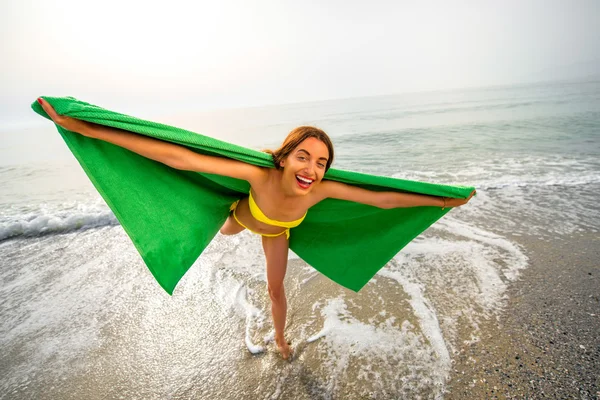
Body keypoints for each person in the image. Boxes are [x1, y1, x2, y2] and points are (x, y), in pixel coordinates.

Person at [37, 98, 475, 360]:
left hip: (276, 230)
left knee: (276, 289)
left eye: (321, 162)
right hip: (237, 215)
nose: (313, 168)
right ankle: (208, 218)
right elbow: (180, 158)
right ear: (284, 158)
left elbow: (382, 198)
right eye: (304, 156)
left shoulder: (319, 193)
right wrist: (84, 127)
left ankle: (282, 339)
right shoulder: (258, 175)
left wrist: (441, 200)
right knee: (220, 229)